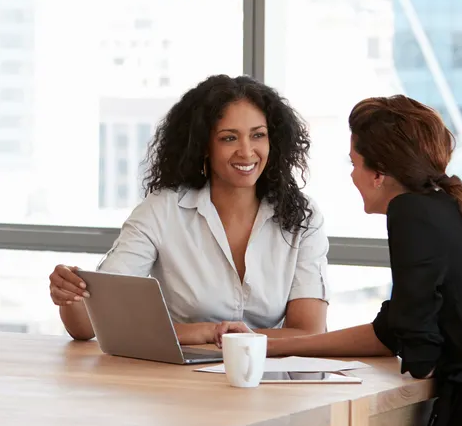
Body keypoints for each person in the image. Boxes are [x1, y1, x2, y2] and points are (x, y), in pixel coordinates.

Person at [217, 95, 462, 426]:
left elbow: (417, 351)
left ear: (378, 175)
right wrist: (273, 344)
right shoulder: (444, 207)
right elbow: (391, 331)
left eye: (354, 163)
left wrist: (408, 334)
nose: (352, 174)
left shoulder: (410, 212)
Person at [49, 74, 329, 344]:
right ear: (204, 145)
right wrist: (69, 292)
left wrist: (218, 337)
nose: (246, 151)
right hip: (178, 382)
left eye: (258, 135)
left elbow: (309, 332)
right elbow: (88, 324)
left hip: (270, 380)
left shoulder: (303, 217)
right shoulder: (162, 211)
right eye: (229, 138)